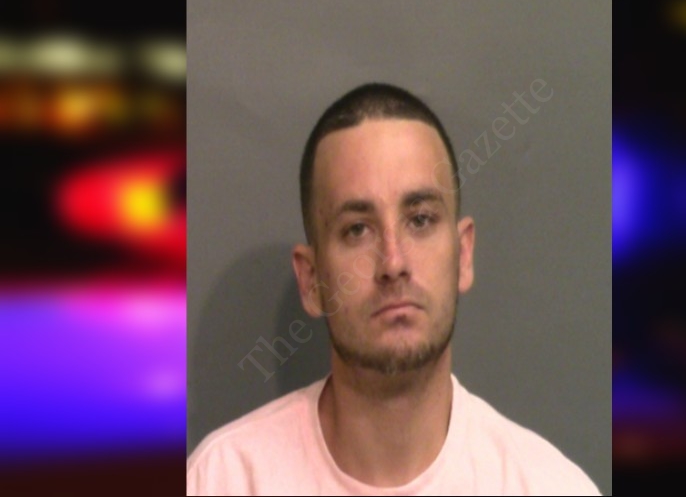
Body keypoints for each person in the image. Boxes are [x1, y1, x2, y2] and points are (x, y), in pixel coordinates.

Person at [186, 83, 601, 495]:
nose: (393, 263)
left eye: (420, 220)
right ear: (311, 281)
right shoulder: (221, 480)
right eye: (357, 229)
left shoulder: (550, 487)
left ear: (463, 254)